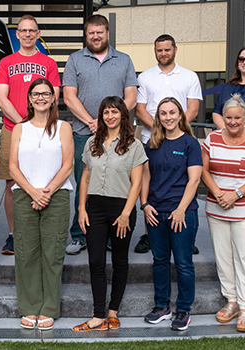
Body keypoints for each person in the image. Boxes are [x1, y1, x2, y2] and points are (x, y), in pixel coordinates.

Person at [63, 14, 138, 255]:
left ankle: (108, 234)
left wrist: (110, 123)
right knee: (84, 183)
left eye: (100, 32)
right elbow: (69, 96)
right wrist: (91, 122)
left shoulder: (124, 60)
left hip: (118, 136)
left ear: (107, 33)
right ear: (86, 35)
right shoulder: (75, 60)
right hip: (84, 134)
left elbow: (131, 97)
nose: (95, 36)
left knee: (117, 185)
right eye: (91, 33)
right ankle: (79, 234)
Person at [72, 96, 147, 332]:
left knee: (119, 261)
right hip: (94, 207)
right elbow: (84, 177)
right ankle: (97, 316)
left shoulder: (134, 145)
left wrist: (126, 214)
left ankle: (112, 312)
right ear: (101, 116)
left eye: (115, 112)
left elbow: (136, 184)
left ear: (123, 115)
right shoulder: (92, 143)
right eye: (106, 112)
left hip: (121, 209)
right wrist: (81, 209)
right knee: (95, 262)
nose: (110, 116)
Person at [202, 94, 245, 333]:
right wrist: (218, 193)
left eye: (237, 118)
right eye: (228, 117)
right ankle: (230, 300)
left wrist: (236, 194)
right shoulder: (211, 139)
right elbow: (203, 169)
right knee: (223, 257)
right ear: (223, 117)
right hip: (217, 206)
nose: (232, 122)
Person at [9, 78, 74, 331]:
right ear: (29, 98)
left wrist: (46, 192)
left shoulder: (63, 127)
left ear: (53, 98)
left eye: (46, 94)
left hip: (55, 195)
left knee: (53, 252)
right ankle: (29, 307)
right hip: (25, 195)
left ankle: (48, 308)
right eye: (36, 94)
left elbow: (67, 164)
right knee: (25, 253)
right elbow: (13, 167)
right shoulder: (20, 128)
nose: (41, 98)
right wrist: (33, 192)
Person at [0, 14, 61, 255]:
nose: (27, 34)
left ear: (38, 34)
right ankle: (14, 234)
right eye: (23, 31)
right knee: (12, 183)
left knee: (43, 179)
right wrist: (23, 123)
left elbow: (54, 96)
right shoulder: (6, 62)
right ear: (18, 34)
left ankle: (40, 230)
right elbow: (2, 97)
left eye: (32, 30)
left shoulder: (48, 63)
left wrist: (36, 124)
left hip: (43, 130)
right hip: (14, 129)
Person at [133, 34, 203, 254]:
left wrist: (176, 128)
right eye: (159, 50)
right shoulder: (145, 77)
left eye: (167, 49)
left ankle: (185, 234)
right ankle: (149, 234)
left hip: (180, 139)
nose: (163, 53)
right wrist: (160, 129)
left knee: (182, 181)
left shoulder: (190, 77)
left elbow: (192, 109)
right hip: (151, 139)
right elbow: (140, 109)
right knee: (151, 184)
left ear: (175, 49)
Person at [140, 98, 202, 331]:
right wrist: (145, 204)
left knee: (184, 264)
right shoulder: (152, 144)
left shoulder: (190, 144)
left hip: (182, 215)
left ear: (180, 115)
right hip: (156, 213)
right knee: (160, 262)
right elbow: (146, 177)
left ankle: (183, 311)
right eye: (163, 113)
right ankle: (162, 307)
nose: (168, 117)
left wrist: (180, 209)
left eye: (172, 112)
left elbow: (194, 179)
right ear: (158, 117)